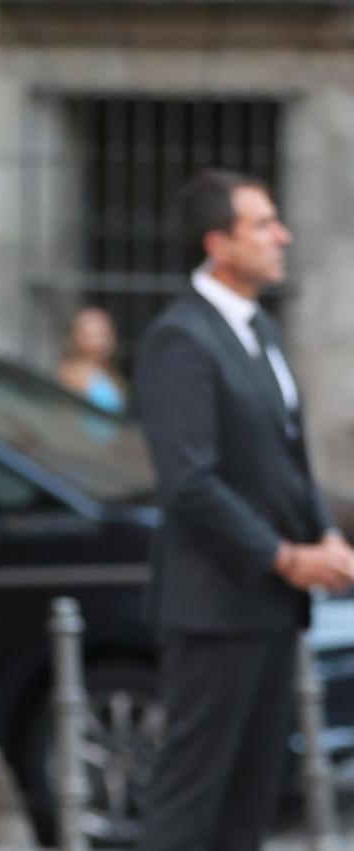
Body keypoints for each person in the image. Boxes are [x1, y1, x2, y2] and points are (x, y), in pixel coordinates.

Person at [133, 169, 354, 851]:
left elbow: (288, 456)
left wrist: (324, 533)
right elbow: (190, 483)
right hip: (213, 611)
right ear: (218, 244)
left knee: (250, 807)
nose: (281, 235)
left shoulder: (261, 328)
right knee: (190, 804)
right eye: (262, 223)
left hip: (266, 606)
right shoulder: (182, 338)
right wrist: (287, 556)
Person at [57, 306, 125, 413]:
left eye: (105, 334)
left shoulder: (108, 373)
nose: (101, 341)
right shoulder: (73, 375)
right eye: (93, 335)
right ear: (77, 337)